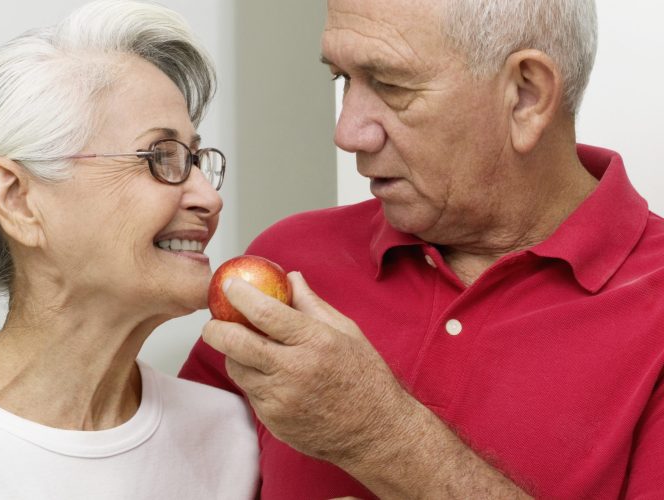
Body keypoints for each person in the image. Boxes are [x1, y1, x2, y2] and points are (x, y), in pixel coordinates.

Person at [180, 0, 664, 498]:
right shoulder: (287, 259)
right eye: (342, 79)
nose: (347, 134)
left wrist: (376, 433)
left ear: (526, 94)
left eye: (390, 84)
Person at [0, 1, 259, 498]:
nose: (209, 196)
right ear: (18, 200)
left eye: (196, 158)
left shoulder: (231, 435)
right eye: (161, 157)